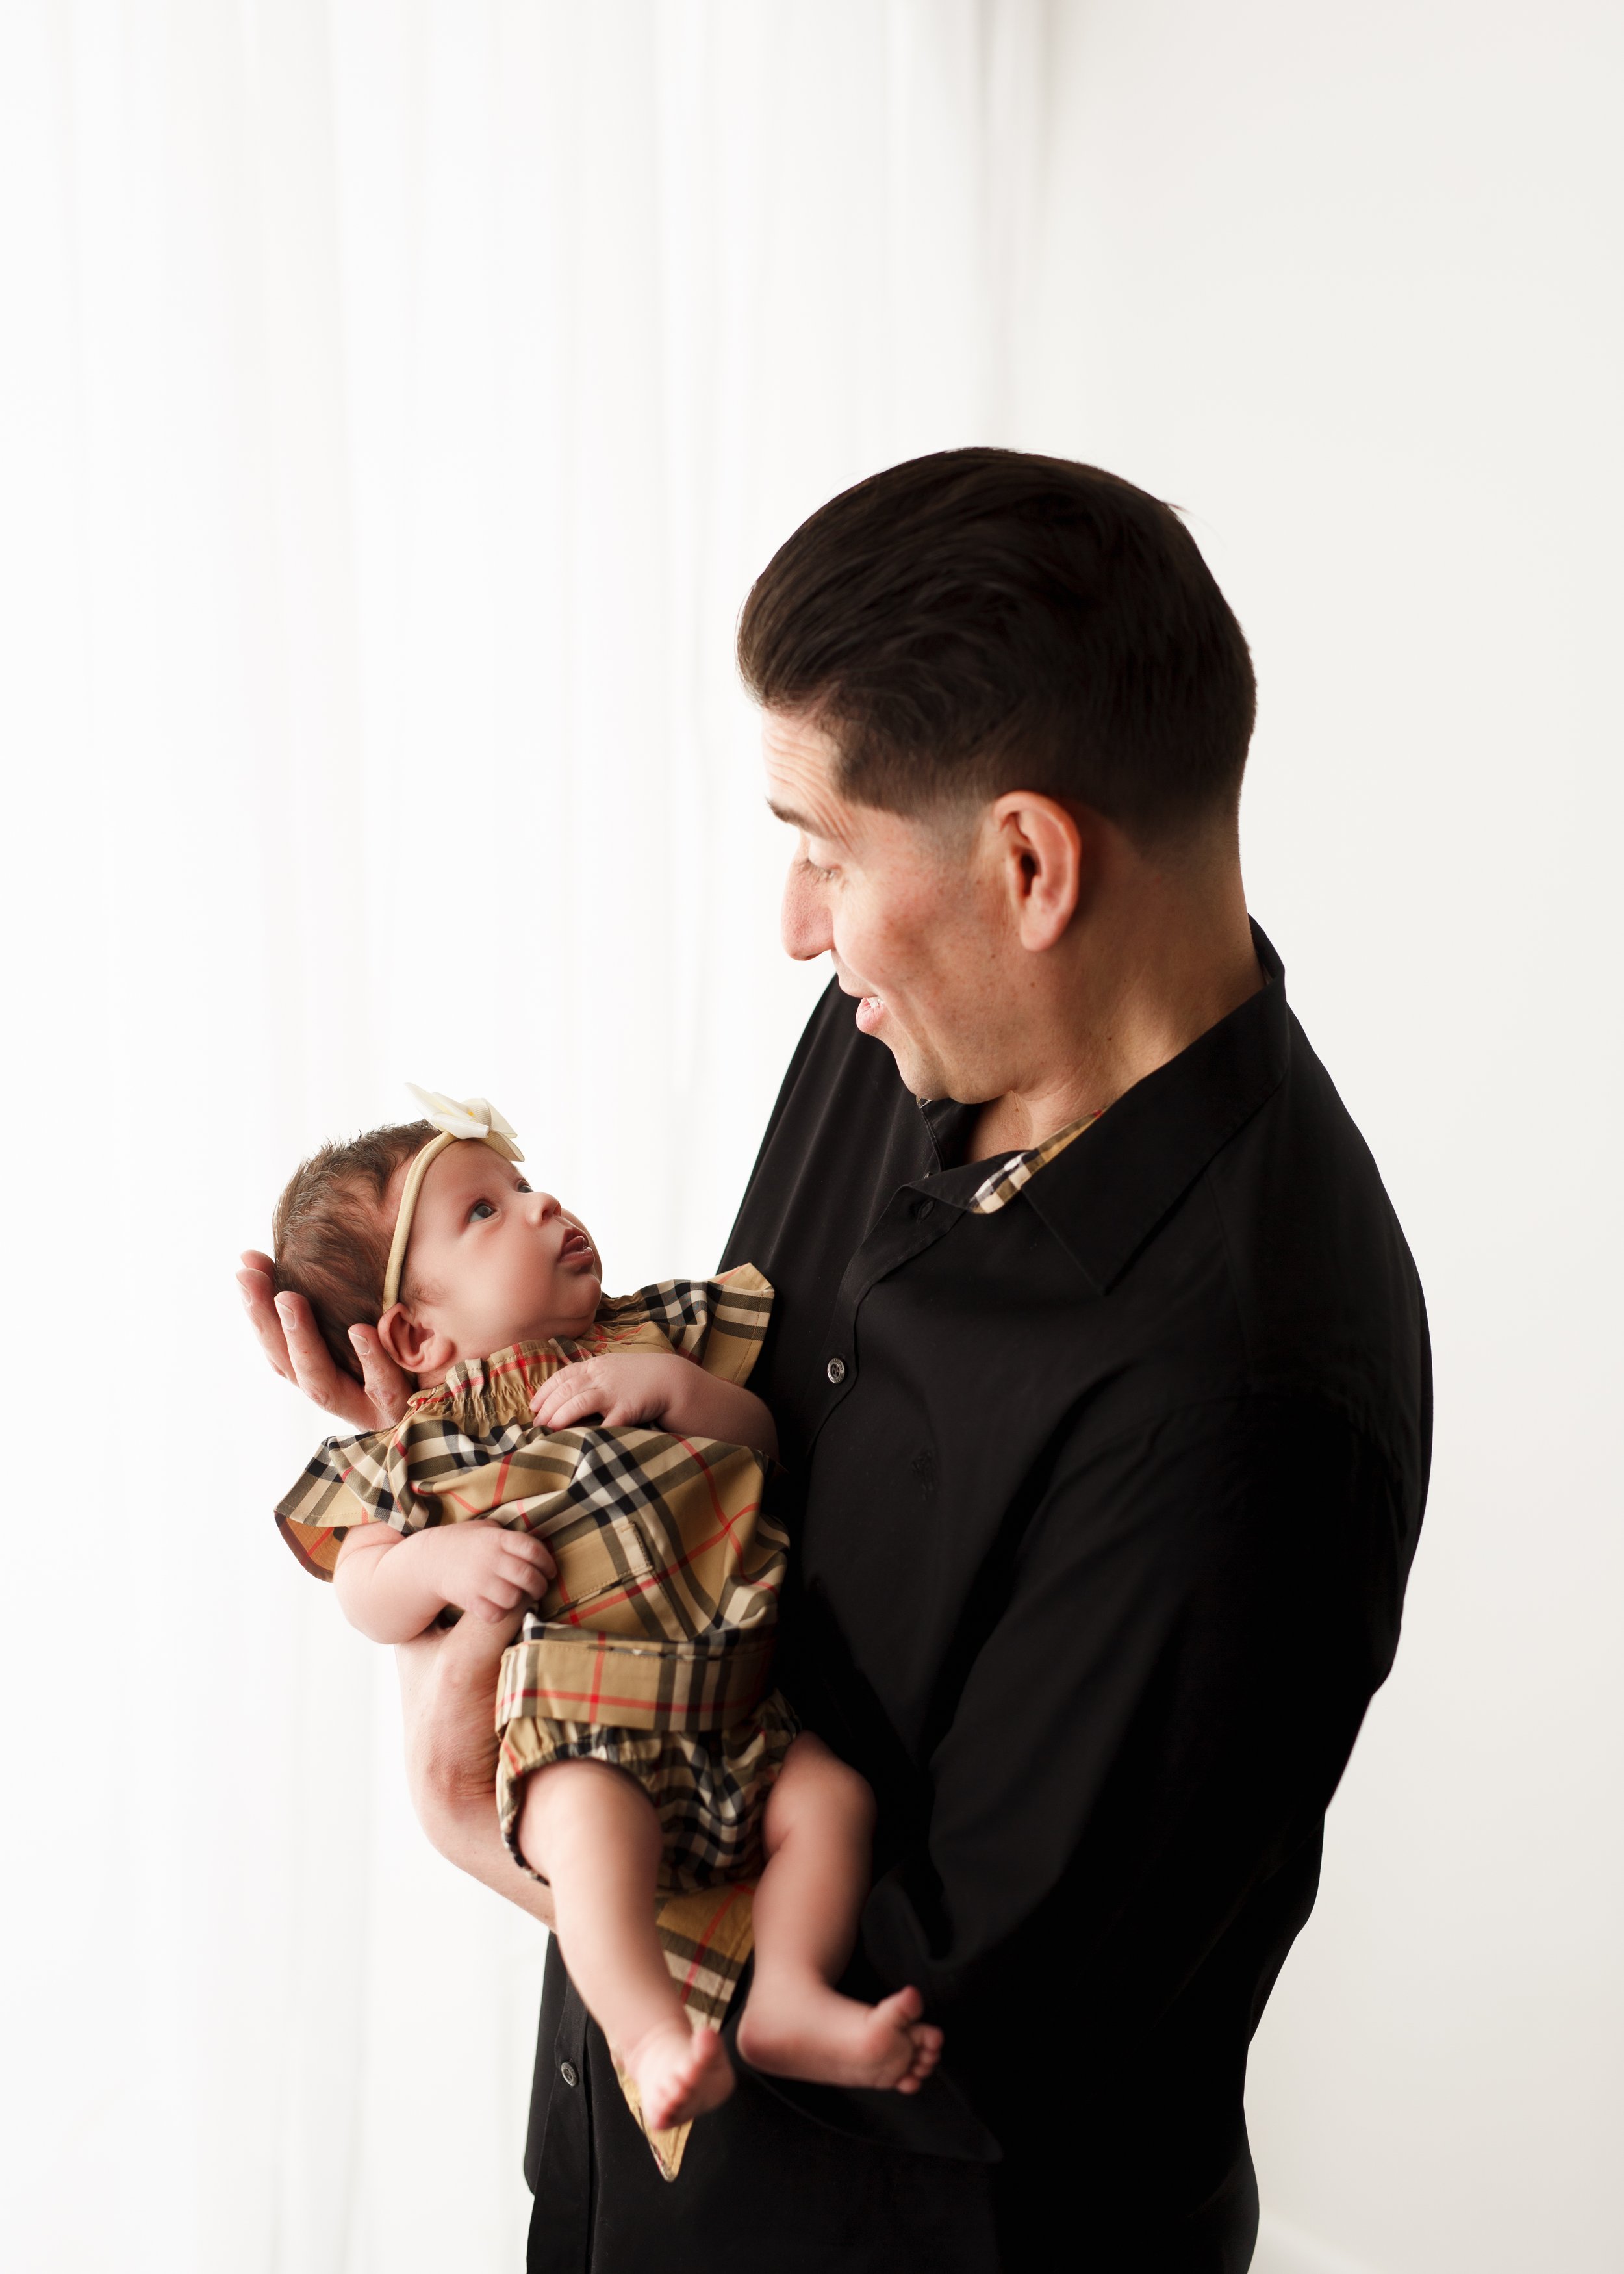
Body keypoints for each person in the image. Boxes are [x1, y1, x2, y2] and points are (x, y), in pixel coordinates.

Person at [240, 448, 1431, 2271]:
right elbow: (729, 1466)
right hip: (626, 2196)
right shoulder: (902, 1026)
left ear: (1028, 862)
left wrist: (503, 1829)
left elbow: (963, 2033)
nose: (797, 923)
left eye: (819, 848)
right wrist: (467, 1438)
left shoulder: (1247, 1396)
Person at [266, 1091, 941, 2142]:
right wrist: (439, 1557)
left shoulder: (651, 1339)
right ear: (411, 1333)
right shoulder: (421, 1447)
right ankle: (649, 2031)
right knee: (588, 1848)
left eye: (525, 1188)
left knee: (833, 1803)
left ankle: (792, 1997)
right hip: (581, 1728)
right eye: (484, 1213)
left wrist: (673, 1387)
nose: (542, 1209)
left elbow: (765, 1441)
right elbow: (363, 1587)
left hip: (738, 1713)